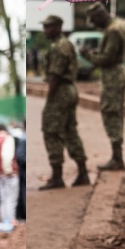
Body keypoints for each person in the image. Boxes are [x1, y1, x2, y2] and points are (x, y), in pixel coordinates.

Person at [39, 14, 88, 189]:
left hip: (60, 91)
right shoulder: (66, 44)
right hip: (69, 90)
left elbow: (55, 76)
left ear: (58, 27)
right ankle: (83, 173)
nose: (45, 30)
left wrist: (49, 100)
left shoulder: (59, 47)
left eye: (48, 27)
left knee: (51, 131)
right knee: (70, 130)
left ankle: (57, 177)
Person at [80, 2, 125, 171]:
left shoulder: (113, 30)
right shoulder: (115, 27)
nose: (94, 25)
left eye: (94, 20)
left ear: (100, 16)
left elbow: (107, 59)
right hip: (114, 74)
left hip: (112, 75)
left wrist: (88, 56)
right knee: (114, 112)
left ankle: (117, 158)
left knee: (111, 112)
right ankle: (117, 156)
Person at [0, 123, 18, 229]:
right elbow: (7, 156)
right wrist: (8, 170)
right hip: (9, 173)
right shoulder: (7, 139)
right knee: (11, 198)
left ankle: (5, 220)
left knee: (3, 199)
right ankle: (11, 221)